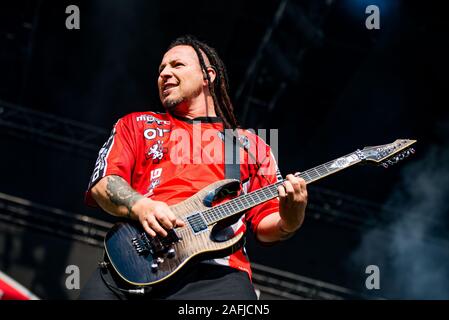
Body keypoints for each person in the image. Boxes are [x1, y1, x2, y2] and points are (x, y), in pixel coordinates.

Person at [78, 35, 308, 300]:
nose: (165, 73)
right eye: (161, 69)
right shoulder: (137, 124)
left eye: (177, 65)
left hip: (213, 276)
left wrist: (291, 218)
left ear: (207, 76)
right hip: (132, 265)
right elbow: (104, 183)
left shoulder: (249, 145)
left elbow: (265, 224)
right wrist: (142, 206)